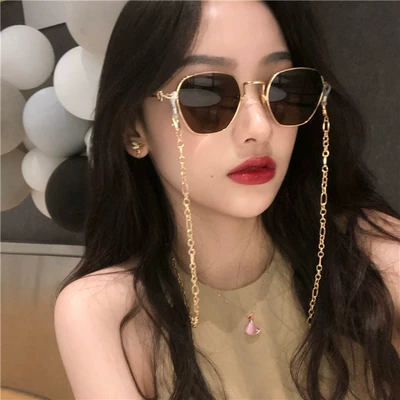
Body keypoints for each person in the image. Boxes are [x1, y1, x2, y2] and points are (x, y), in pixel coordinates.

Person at [53, 1, 400, 399]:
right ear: (135, 129)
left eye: (282, 88)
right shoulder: (105, 313)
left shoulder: (365, 253)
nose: (260, 127)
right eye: (207, 95)